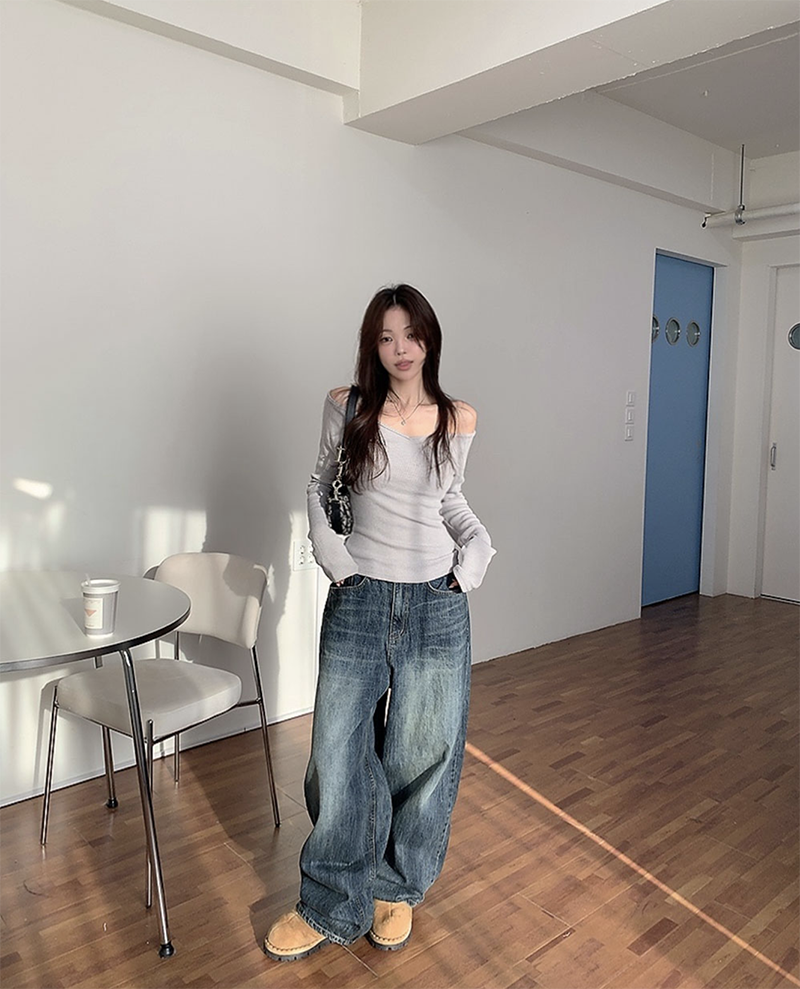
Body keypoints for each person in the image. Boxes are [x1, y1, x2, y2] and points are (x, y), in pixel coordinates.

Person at [264, 283, 495, 962]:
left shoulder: (458, 417)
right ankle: (330, 900)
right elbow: (319, 485)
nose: (400, 349)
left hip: (437, 602)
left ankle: (397, 887)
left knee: (423, 752)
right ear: (373, 344)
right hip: (360, 597)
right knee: (337, 754)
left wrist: (476, 549)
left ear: (430, 340)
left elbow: (449, 499)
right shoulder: (349, 405)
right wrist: (333, 556)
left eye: (411, 335)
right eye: (387, 337)